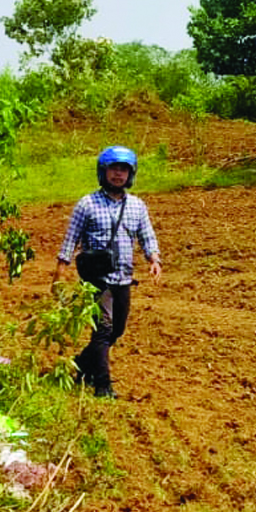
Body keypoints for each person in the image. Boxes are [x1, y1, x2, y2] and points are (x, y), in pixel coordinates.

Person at [54, 145, 161, 398]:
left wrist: (154, 259)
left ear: (130, 174)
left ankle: (81, 364)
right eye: (113, 169)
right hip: (96, 279)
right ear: (103, 172)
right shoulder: (87, 204)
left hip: (123, 278)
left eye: (124, 169)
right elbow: (71, 239)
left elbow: (146, 236)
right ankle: (102, 386)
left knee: (117, 330)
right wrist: (60, 270)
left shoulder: (137, 206)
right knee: (102, 330)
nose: (118, 174)